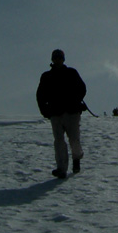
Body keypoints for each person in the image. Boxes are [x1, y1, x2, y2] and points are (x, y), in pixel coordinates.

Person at [36, 49, 87, 179]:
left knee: (74, 139)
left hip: (72, 112)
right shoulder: (46, 76)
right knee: (59, 141)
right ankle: (61, 168)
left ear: (63, 59)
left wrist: (75, 101)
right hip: (55, 113)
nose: (57, 60)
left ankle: (76, 159)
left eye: (60, 57)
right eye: (55, 58)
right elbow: (40, 95)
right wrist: (45, 111)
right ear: (52, 59)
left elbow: (82, 88)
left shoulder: (71, 73)